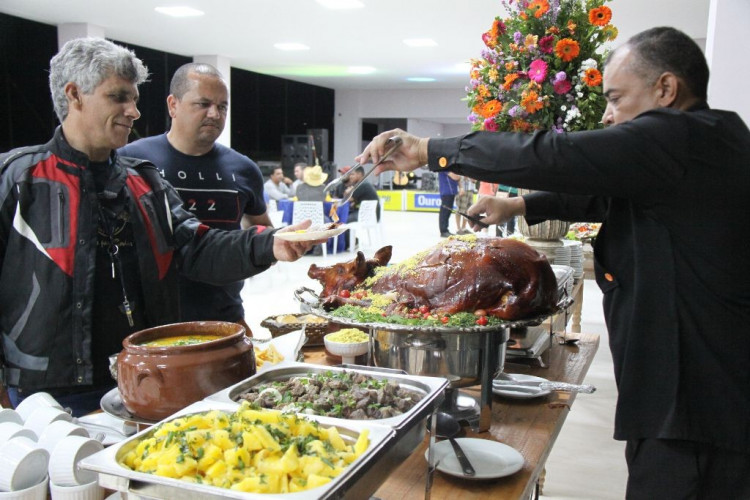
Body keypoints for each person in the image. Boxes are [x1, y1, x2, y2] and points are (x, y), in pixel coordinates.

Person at [356, 27, 750, 498]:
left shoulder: (681, 138)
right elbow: (604, 196)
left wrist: (429, 151)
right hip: (695, 398)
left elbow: (556, 157)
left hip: (696, 409)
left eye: (616, 98)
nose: (607, 115)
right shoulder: (705, 143)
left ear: (666, 89)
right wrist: (518, 205)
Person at [0, 38, 319, 416]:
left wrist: (270, 243)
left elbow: (197, 246)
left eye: (134, 99)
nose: (133, 111)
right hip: (46, 393)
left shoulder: (145, 182)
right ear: (74, 95)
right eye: (118, 97)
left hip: (145, 379)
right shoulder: (17, 179)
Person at [119, 63, 270, 329]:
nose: (214, 114)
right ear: (173, 105)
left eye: (222, 106)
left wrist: (272, 244)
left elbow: (261, 227)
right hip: (149, 324)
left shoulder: (244, 169)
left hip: (224, 318)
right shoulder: (131, 161)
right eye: (203, 104)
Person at [437, 171, 459, 237]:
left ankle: (445, 229)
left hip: (451, 191)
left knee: (448, 212)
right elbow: (455, 177)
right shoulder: (444, 167)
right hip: (447, 191)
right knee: (445, 212)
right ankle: (443, 231)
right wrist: (459, 176)